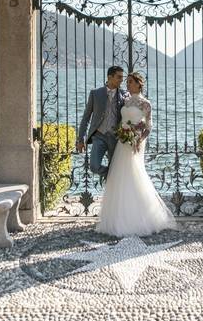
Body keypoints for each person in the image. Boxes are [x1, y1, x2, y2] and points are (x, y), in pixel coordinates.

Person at [96, 71, 178, 236]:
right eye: (127, 82)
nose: (128, 85)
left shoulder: (145, 103)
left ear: (139, 84)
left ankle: (141, 216)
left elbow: (148, 126)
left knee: (135, 175)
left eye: (131, 82)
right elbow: (122, 121)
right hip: (122, 142)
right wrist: (122, 132)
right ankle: (119, 216)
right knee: (119, 176)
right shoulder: (125, 100)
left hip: (135, 143)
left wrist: (138, 140)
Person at [76, 65, 127, 186]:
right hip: (99, 136)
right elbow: (86, 117)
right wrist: (80, 139)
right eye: (119, 77)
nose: (121, 80)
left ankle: (114, 195)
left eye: (122, 78)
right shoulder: (95, 93)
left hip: (116, 137)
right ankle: (112, 174)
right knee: (94, 166)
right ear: (110, 77)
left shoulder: (125, 95)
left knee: (117, 166)